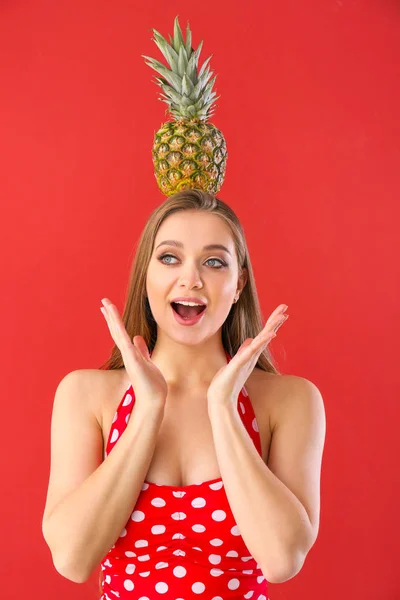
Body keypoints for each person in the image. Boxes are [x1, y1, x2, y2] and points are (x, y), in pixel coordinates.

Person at [42, 189, 325, 599]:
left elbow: (282, 560)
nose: (190, 278)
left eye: (213, 262)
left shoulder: (290, 401)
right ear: (147, 276)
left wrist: (224, 408)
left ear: (238, 282)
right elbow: (72, 558)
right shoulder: (87, 395)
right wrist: (148, 410)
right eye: (169, 258)